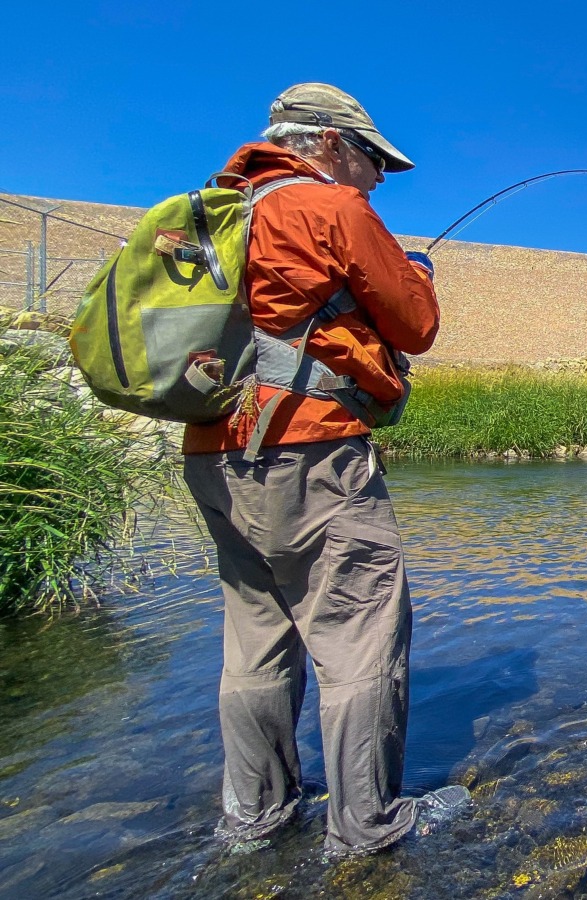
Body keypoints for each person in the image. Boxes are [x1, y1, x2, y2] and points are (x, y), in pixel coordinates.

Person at [181, 83, 465, 856]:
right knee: (361, 638)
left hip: (214, 453)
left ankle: (256, 816)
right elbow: (418, 325)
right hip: (312, 452)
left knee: (255, 642)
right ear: (332, 143)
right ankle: (367, 825)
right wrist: (418, 274)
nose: (377, 178)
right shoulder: (330, 208)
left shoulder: (211, 213)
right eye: (374, 161)